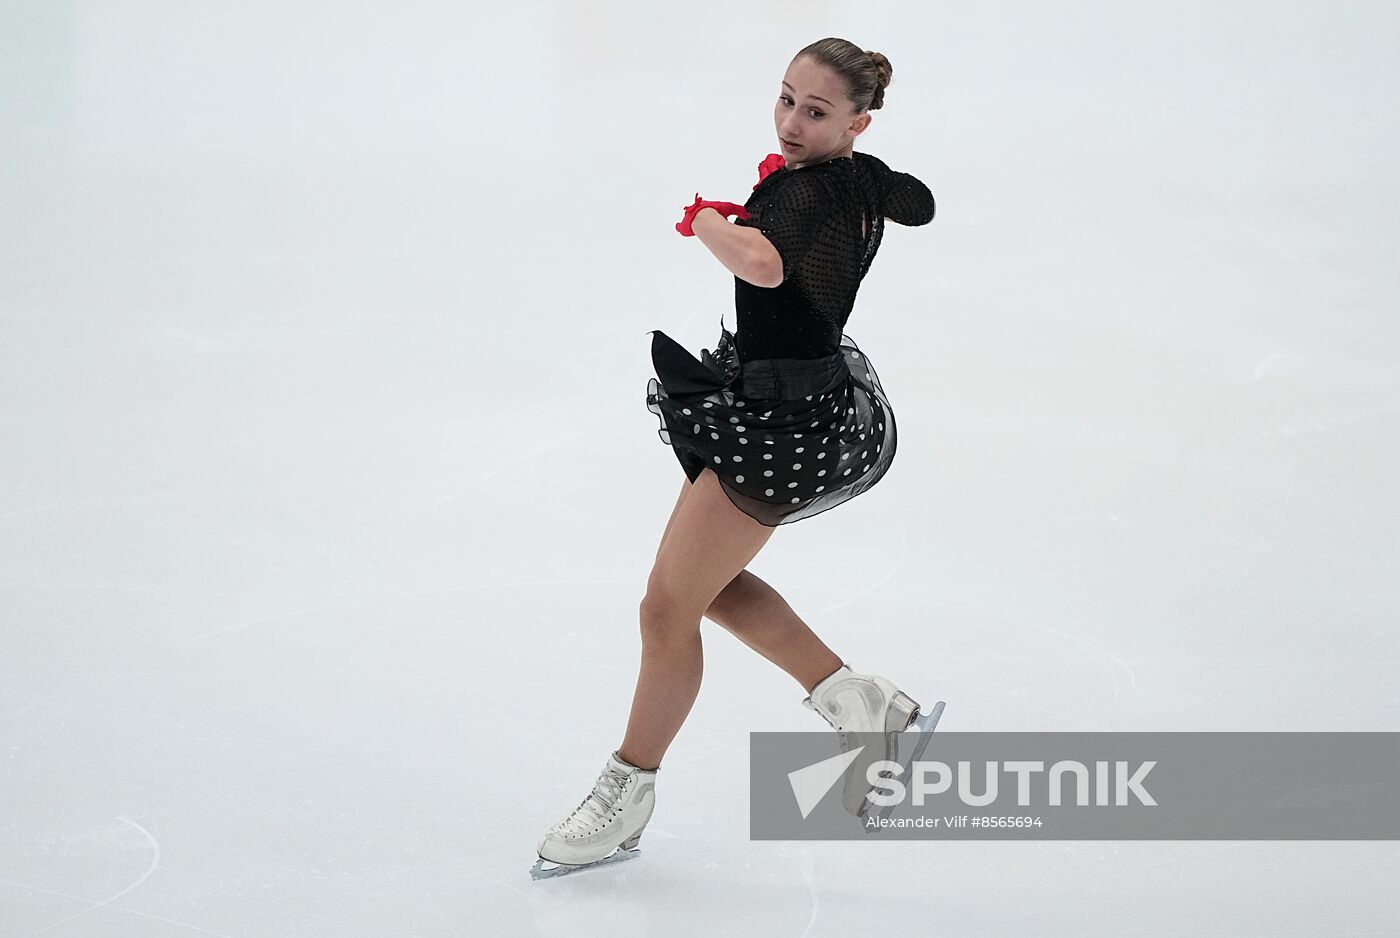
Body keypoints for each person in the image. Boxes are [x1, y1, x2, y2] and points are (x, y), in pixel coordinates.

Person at [531, 38, 943, 881]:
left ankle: (627, 789)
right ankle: (861, 707)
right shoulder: (854, 175)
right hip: (798, 402)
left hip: (779, 423)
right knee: (699, 591)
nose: (792, 122)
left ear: (857, 119)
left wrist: (713, 220)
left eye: (817, 112)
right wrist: (862, 172)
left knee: (664, 610)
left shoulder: (799, 192)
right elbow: (920, 202)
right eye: (786, 99)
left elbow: (762, 264)